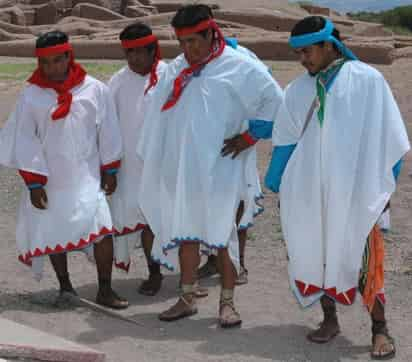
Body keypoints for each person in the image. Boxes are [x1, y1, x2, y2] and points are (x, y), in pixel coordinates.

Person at [265, 16, 409, 360]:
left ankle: (380, 328)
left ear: (329, 44)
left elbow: (390, 136)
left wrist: (383, 189)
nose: (303, 60)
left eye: (308, 51)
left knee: (365, 259)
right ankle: (329, 320)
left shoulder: (368, 81)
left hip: (356, 191)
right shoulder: (297, 89)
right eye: (298, 53)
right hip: (309, 190)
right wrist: (278, 185)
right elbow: (284, 141)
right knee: (316, 252)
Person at [137, 4, 283, 328]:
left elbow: (275, 101)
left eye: (194, 41)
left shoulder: (239, 67)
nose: (188, 49)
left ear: (210, 33)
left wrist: (249, 137)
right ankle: (187, 298)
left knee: (222, 233)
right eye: (182, 42)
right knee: (187, 230)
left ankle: (227, 304)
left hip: (221, 165)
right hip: (183, 167)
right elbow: (159, 111)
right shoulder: (177, 67)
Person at [0, 31, 128, 309]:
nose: (51, 68)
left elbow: (109, 131)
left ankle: (105, 289)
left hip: (87, 176)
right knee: (53, 230)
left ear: (69, 57)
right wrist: (34, 182)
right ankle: (65, 287)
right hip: (50, 180)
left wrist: (110, 168)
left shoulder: (95, 89)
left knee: (103, 231)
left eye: (57, 61)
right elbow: (25, 139)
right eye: (44, 62)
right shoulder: (31, 95)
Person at [197, 37, 270, 285]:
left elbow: (269, 100)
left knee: (238, 202)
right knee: (208, 204)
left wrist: (249, 137)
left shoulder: (244, 58)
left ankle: (239, 263)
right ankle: (213, 260)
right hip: (205, 148)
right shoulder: (194, 57)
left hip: (235, 147)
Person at [108, 23, 167, 296]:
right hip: (130, 166)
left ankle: (190, 277)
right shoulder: (117, 82)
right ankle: (154, 273)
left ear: (152, 50)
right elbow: (106, 126)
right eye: (127, 52)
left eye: (138, 52)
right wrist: (108, 167)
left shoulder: (169, 75)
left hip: (165, 163)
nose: (133, 58)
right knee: (144, 220)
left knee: (166, 219)